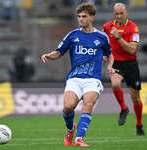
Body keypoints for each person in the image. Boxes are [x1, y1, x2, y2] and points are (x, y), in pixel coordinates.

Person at [42, 2, 115, 147]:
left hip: (93, 79)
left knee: (87, 105)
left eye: (84, 16)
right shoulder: (72, 35)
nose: (80, 19)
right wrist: (50, 55)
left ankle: (79, 139)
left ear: (92, 18)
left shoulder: (101, 37)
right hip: (74, 78)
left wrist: (110, 66)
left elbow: (109, 54)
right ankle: (70, 130)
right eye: (79, 16)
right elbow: (59, 52)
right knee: (68, 107)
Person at [103, 3, 145, 135]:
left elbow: (132, 49)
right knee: (115, 84)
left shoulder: (133, 27)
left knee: (136, 99)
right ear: (114, 14)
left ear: (126, 13)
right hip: (117, 63)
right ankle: (123, 108)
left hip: (131, 64)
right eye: (117, 14)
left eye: (122, 13)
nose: (119, 16)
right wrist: (104, 55)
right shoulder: (107, 26)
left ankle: (139, 124)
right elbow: (104, 43)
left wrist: (118, 37)